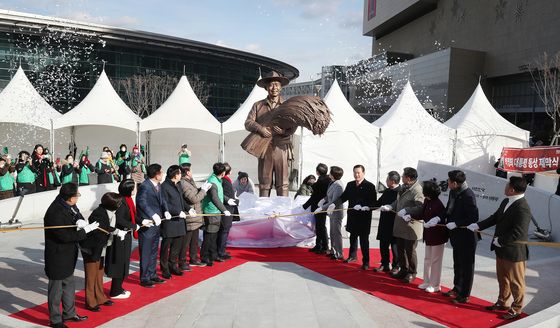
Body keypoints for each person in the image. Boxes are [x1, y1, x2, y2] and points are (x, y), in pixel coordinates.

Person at [468, 176, 531, 320]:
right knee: (503, 278)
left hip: (514, 252)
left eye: (507, 185)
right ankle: (502, 302)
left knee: (516, 282)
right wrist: (478, 225)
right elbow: (495, 217)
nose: (505, 187)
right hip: (501, 248)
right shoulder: (506, 201)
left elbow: (519, 232)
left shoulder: (523, 207)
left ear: (512, 189)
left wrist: (501, 240)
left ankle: (516, 308)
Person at [44, 183, 98, 328]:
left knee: (69, 285)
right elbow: (64, 236)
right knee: (56, 290)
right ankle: (55, 320)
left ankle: (69, 313)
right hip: (57, 256)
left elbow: (77, 215)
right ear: (70, 197)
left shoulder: (70, 205)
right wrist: (84, 231)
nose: (78, 197)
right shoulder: (55, 211)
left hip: (68, 255)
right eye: (77, 195)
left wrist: (80, 220)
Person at [245, 70, 295, 197]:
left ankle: (282, 211)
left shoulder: (287, 105)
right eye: (271, 85)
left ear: (281, 87)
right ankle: (263, 210)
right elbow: (248, 123)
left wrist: (284, 131)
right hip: (264, 147)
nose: (274, 88)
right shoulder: (258, 105)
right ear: (267, 87)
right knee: (264, 182)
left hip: (282, 147)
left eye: (277, 84)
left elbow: (294, 125)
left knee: (283, 183)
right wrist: (260, 129)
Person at [79, 192, 121, 312]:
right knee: (91, 276)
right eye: (118, 203)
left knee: (99, 273)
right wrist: (116, 231)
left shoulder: (110, 212)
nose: (120, 205)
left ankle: (100, 297)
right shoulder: (99, 213)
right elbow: (103, 228)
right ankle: (90, 301)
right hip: (91, 248)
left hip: (101, 247)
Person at [442, 170, 479, 304]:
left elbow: (474, 217)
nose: (447, 182)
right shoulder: (454, 192)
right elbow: (448, 209)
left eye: (449, 181)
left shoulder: (468, 195)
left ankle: (464, 294)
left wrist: (457, 223)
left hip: (467, 237)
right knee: (457, 263)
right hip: (455, 235)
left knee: (467, 266)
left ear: (455, 183)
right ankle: (457, 288)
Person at [381, 167, 424, 283]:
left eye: (403, 175)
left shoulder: (417, 190)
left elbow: (420, 207)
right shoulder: (404, 187)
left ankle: (412, 272)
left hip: (411, 225)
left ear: (408, 178)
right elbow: (398, 201)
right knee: (400, 249)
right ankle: (403, 270)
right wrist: (391, 206)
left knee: (410, 251)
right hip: (400, 224)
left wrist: (407, 210)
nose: (402, 177)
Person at [136, 163, 171, 288]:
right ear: (156, 174)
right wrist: (152, 215)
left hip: (157, 223)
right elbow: (142, 203)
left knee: (154, 250)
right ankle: (144, 277)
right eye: (161, 172)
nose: (163, 174)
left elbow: (162, 200)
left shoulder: (158, 185)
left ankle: (152, 274)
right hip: (148, 223)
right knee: (146, 251)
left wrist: (166, 210)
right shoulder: (145, 186)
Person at [105, 179, 140, 299]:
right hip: (119, 236)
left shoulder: (129, 200)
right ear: (129, 189)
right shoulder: (121, 202)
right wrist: (134, 226)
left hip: (126, 235)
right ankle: (115, 291)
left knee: (124, 262)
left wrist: (140, 221)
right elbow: (119, 220)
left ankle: (119, 287)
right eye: (134, 187)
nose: (135, 189)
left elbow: (133, 216)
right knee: (119, 263)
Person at [339, 165, 377, 270]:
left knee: (364, 240)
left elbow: (374, 202)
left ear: (363, 173)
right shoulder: (350, 185)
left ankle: (366, 261)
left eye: (358, 173)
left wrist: (366, 206)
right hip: (353, 217)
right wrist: (334, 204)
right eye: (355, 172)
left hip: (364, 218)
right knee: (353, 237)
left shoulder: (370, 186)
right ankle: (352, 256)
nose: (356, 175)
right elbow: (343, 197)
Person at [179, 163, 212, 269]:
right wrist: (203, 191)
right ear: (187, 172)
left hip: (196, 216)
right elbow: (193, 199)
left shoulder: (190, 181)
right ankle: (182, 261)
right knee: (186, 242)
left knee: (194, 241)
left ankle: (193, 259)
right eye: (191, 170)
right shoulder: (183, 183)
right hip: (190, 217)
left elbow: (195, 193)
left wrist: (201, 189)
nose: (192, 172)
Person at [160, 165, 190, 279]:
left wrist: (188, 208)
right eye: (179, 173)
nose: (181, 175)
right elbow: (165, 204)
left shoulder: (178, 185)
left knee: (176, 247)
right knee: (166, 247)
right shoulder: (164, 186)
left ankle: (173, 265)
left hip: (180, 221)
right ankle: (164, 268)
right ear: (175, 175)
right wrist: (177, 211)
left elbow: (182, 201)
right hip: (170, 222)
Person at [418, 180, 448, 293]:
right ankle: (426, 281)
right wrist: (409, 215)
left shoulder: (438, 204)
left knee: (436, 260)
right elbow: (421, 213)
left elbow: (442, 217)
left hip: (438, 236)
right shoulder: (427, 200)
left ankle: (435, 284)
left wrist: (434, 221)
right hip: (429, 235)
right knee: (427, 259)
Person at [201, 163, 232, 266]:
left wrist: (228, 200)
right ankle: (205, 257)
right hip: (211, 212)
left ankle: (213, 255)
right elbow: (214, 198)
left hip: (216, 211)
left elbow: (220, 195)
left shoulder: (217, 180)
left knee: (214, 235)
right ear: (223, 173)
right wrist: (224, 210)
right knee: (209, 236)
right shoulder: (212, 182)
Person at [374, 171, 401, 273]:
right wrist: (368, 206)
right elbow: (378, 202)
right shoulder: (387, 191)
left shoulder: (401, 191)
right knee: (383, 244)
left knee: (395, 246)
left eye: (387, 179)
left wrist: (390, 208)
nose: (386, 181)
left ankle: (396, 266)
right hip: (384, 221)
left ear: (393, 181)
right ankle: (384, 264)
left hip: (395, 222)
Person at [317, 166, 345, 260]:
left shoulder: (338, 185)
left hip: (336, 212)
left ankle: (339, 253)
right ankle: (333, 250)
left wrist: (322, 208)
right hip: (331, 212)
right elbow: (328, 195)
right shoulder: (332, 182)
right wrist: (323, 199)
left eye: (330, 172)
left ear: (334, 175)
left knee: (336, 233)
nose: (329, 174)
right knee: (332, 232)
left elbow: (334, 201)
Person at [303, 163, 330, 254]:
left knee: (321, 227)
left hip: (319, 207)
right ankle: (319, 245)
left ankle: (324, 246)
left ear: (317, 172)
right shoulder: (327, 180)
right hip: (323, 206)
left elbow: (315, 196)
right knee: (320, 227)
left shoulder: (321, 181)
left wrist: (305, 206)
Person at [218, 163, 239, 260]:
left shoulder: (226, 180)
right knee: (224, 231)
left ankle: (222, 250)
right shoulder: (224, 181)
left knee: (224, 231)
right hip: (226, 209)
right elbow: (224, 195)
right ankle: (221, 252)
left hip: (228, 209)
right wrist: (235, 201)